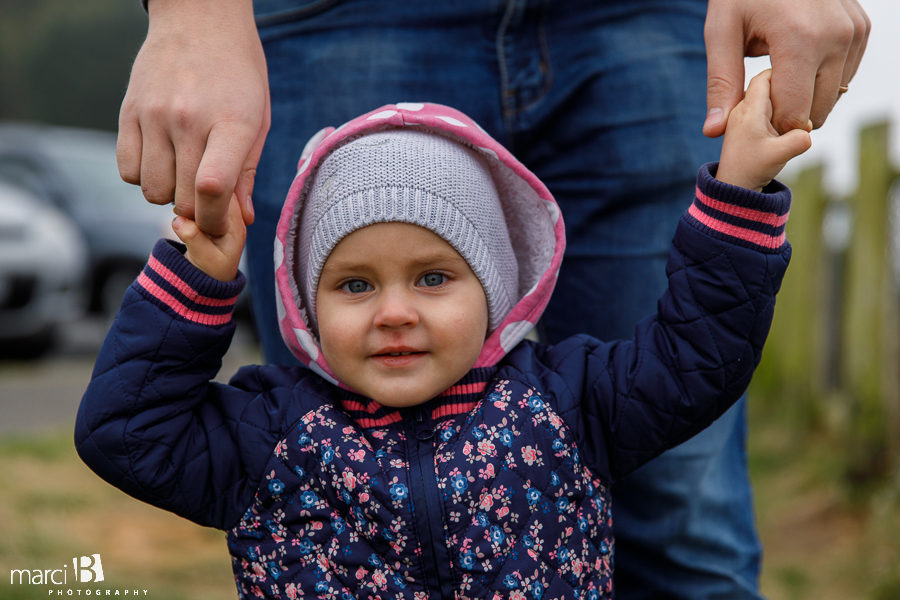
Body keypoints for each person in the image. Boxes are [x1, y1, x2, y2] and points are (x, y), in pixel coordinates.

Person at [115, 1, 869, 595]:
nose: (396, 311)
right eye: (353, 284)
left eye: (434, 277)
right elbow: (126, 430)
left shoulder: (572, 404)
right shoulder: (269, 434)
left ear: (498, 289)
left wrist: (736, 197)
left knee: (691, 549)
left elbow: (696, 357)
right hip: (328, 16)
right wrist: (197, 278)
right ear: (303, 305)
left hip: (643, 21)